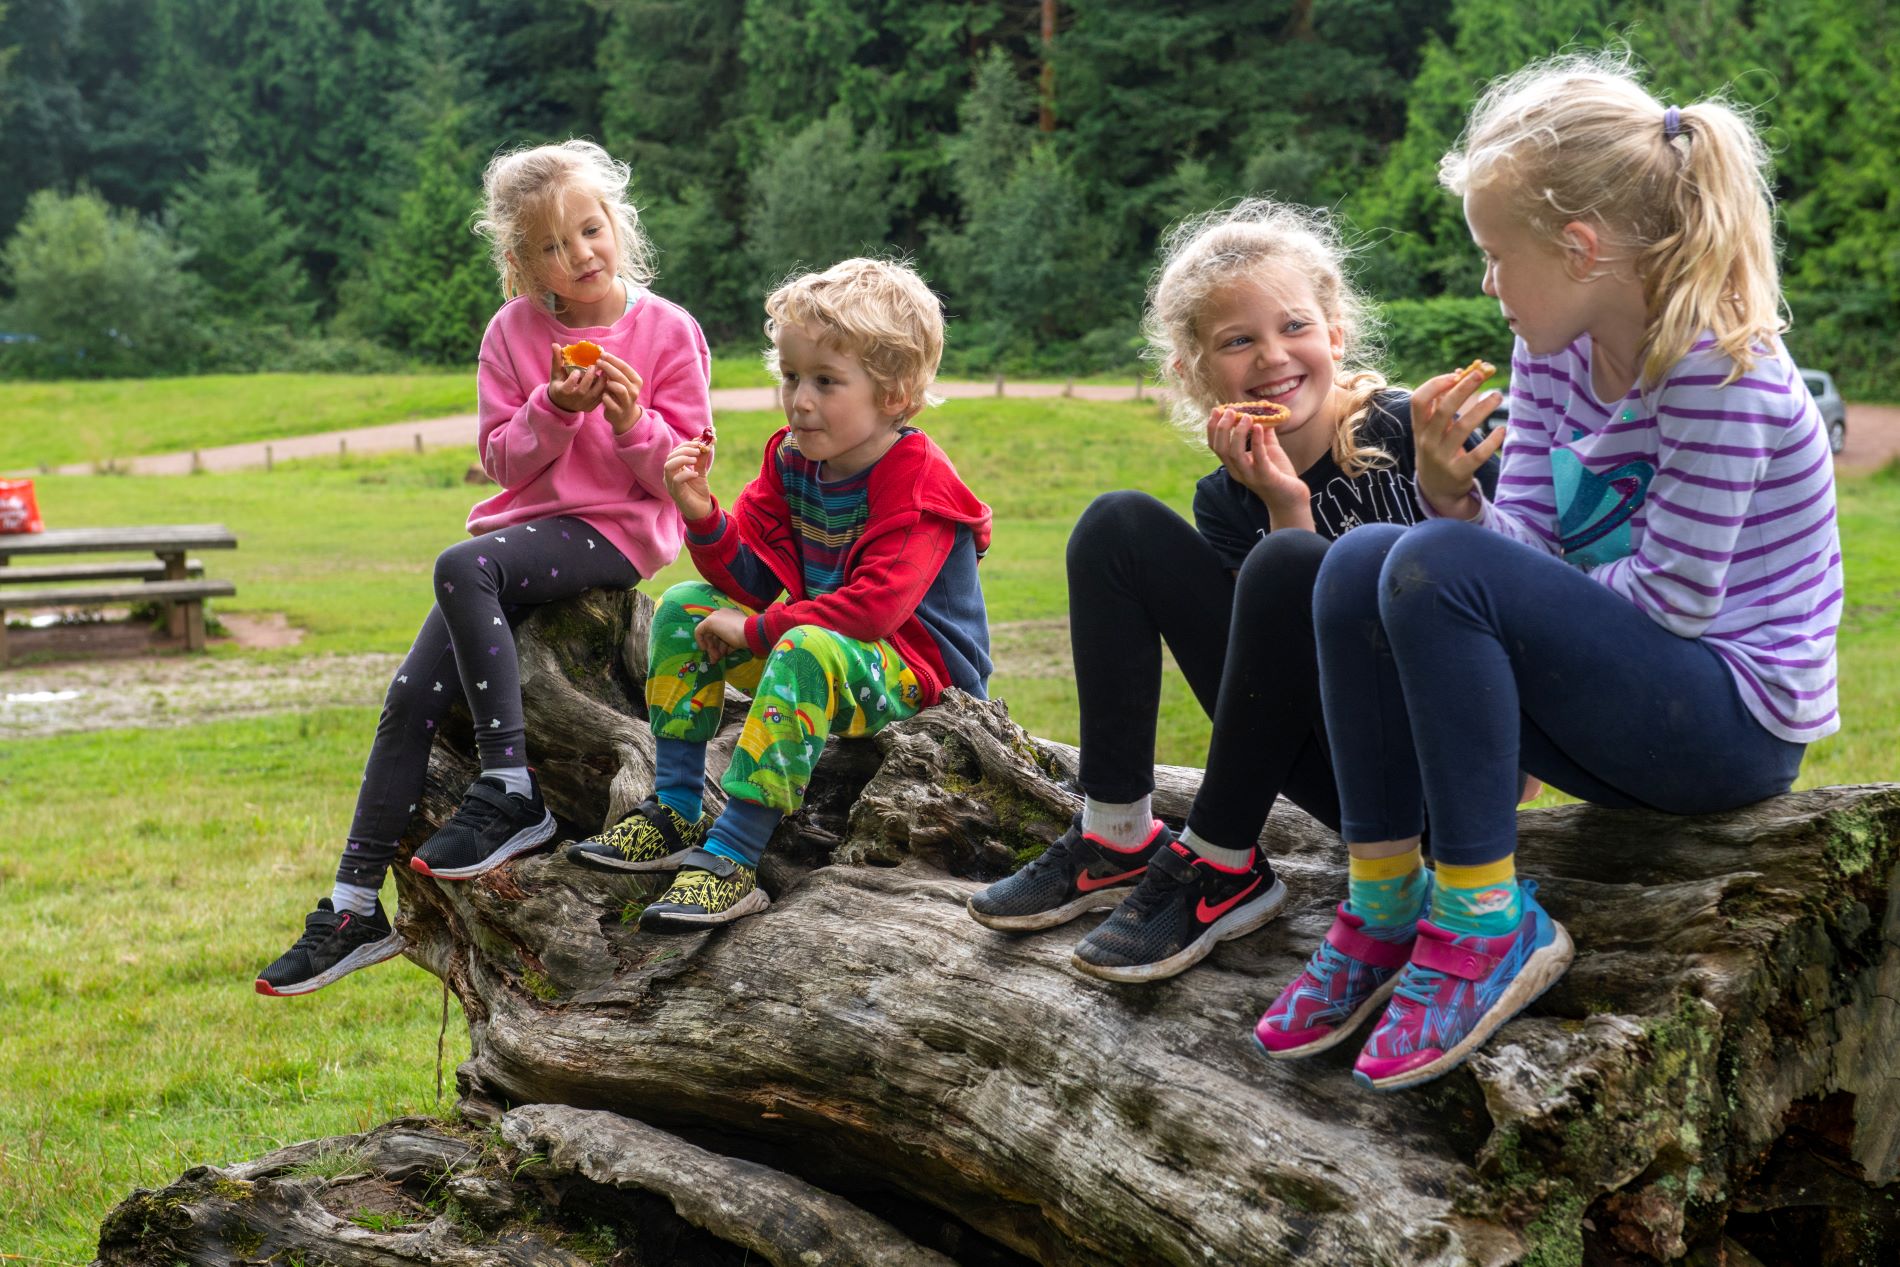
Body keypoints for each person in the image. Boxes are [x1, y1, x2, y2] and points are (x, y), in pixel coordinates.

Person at [1257, 53, 1841, 1091]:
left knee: (1434, 562)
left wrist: (1475, 597)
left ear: (1577, 250)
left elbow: (1667, 606)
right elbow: (1519, 538)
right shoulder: (1556, 349)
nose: (1487, 284)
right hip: (1628, 696)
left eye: (1494, 256)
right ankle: (1386, 900)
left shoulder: (1719, 373)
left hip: (1727, 724)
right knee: (1355, 562)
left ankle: (1487, 919)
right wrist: (1455, 539)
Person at [966, 199, 1498, 982]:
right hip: (1331, 767)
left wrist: (1293, 516)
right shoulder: (1226, 498)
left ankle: (1220, 862)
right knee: (1117, 525)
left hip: (1433, 777)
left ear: (1336, 333)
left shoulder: (1409, 433)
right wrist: (1282, 502)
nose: (1272, 356)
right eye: (1237, 341)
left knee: (1286, 569)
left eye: (1294, 327)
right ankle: (1116, 831)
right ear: (1193, 374)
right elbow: (1275, 677)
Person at [256, 140, 713, 995]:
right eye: (551, 245)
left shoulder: (668, 331)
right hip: (519, 540)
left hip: (612, 535)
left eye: (590, 229)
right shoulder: (512, 333)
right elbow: (503, 463)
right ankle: (354, 905)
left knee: (461, 566)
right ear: (521, 258)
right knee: (407, 702)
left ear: (618, 221)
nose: (578, 254)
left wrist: (627, 420)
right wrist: (552, 407)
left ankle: (511, 791)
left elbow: (682, 474)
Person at [566, 258, 992, 931]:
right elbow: (757, 580)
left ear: (896, 395)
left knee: (798, 645)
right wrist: (703, 514)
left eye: (826, 381)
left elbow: (875, 609)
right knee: (684, 606)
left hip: (918, 676)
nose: (800, 399)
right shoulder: (792, 460)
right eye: (791, 376)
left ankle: (733, 858)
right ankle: (676, 808)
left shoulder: (918, 479)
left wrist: (758, 632)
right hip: (823, 648)